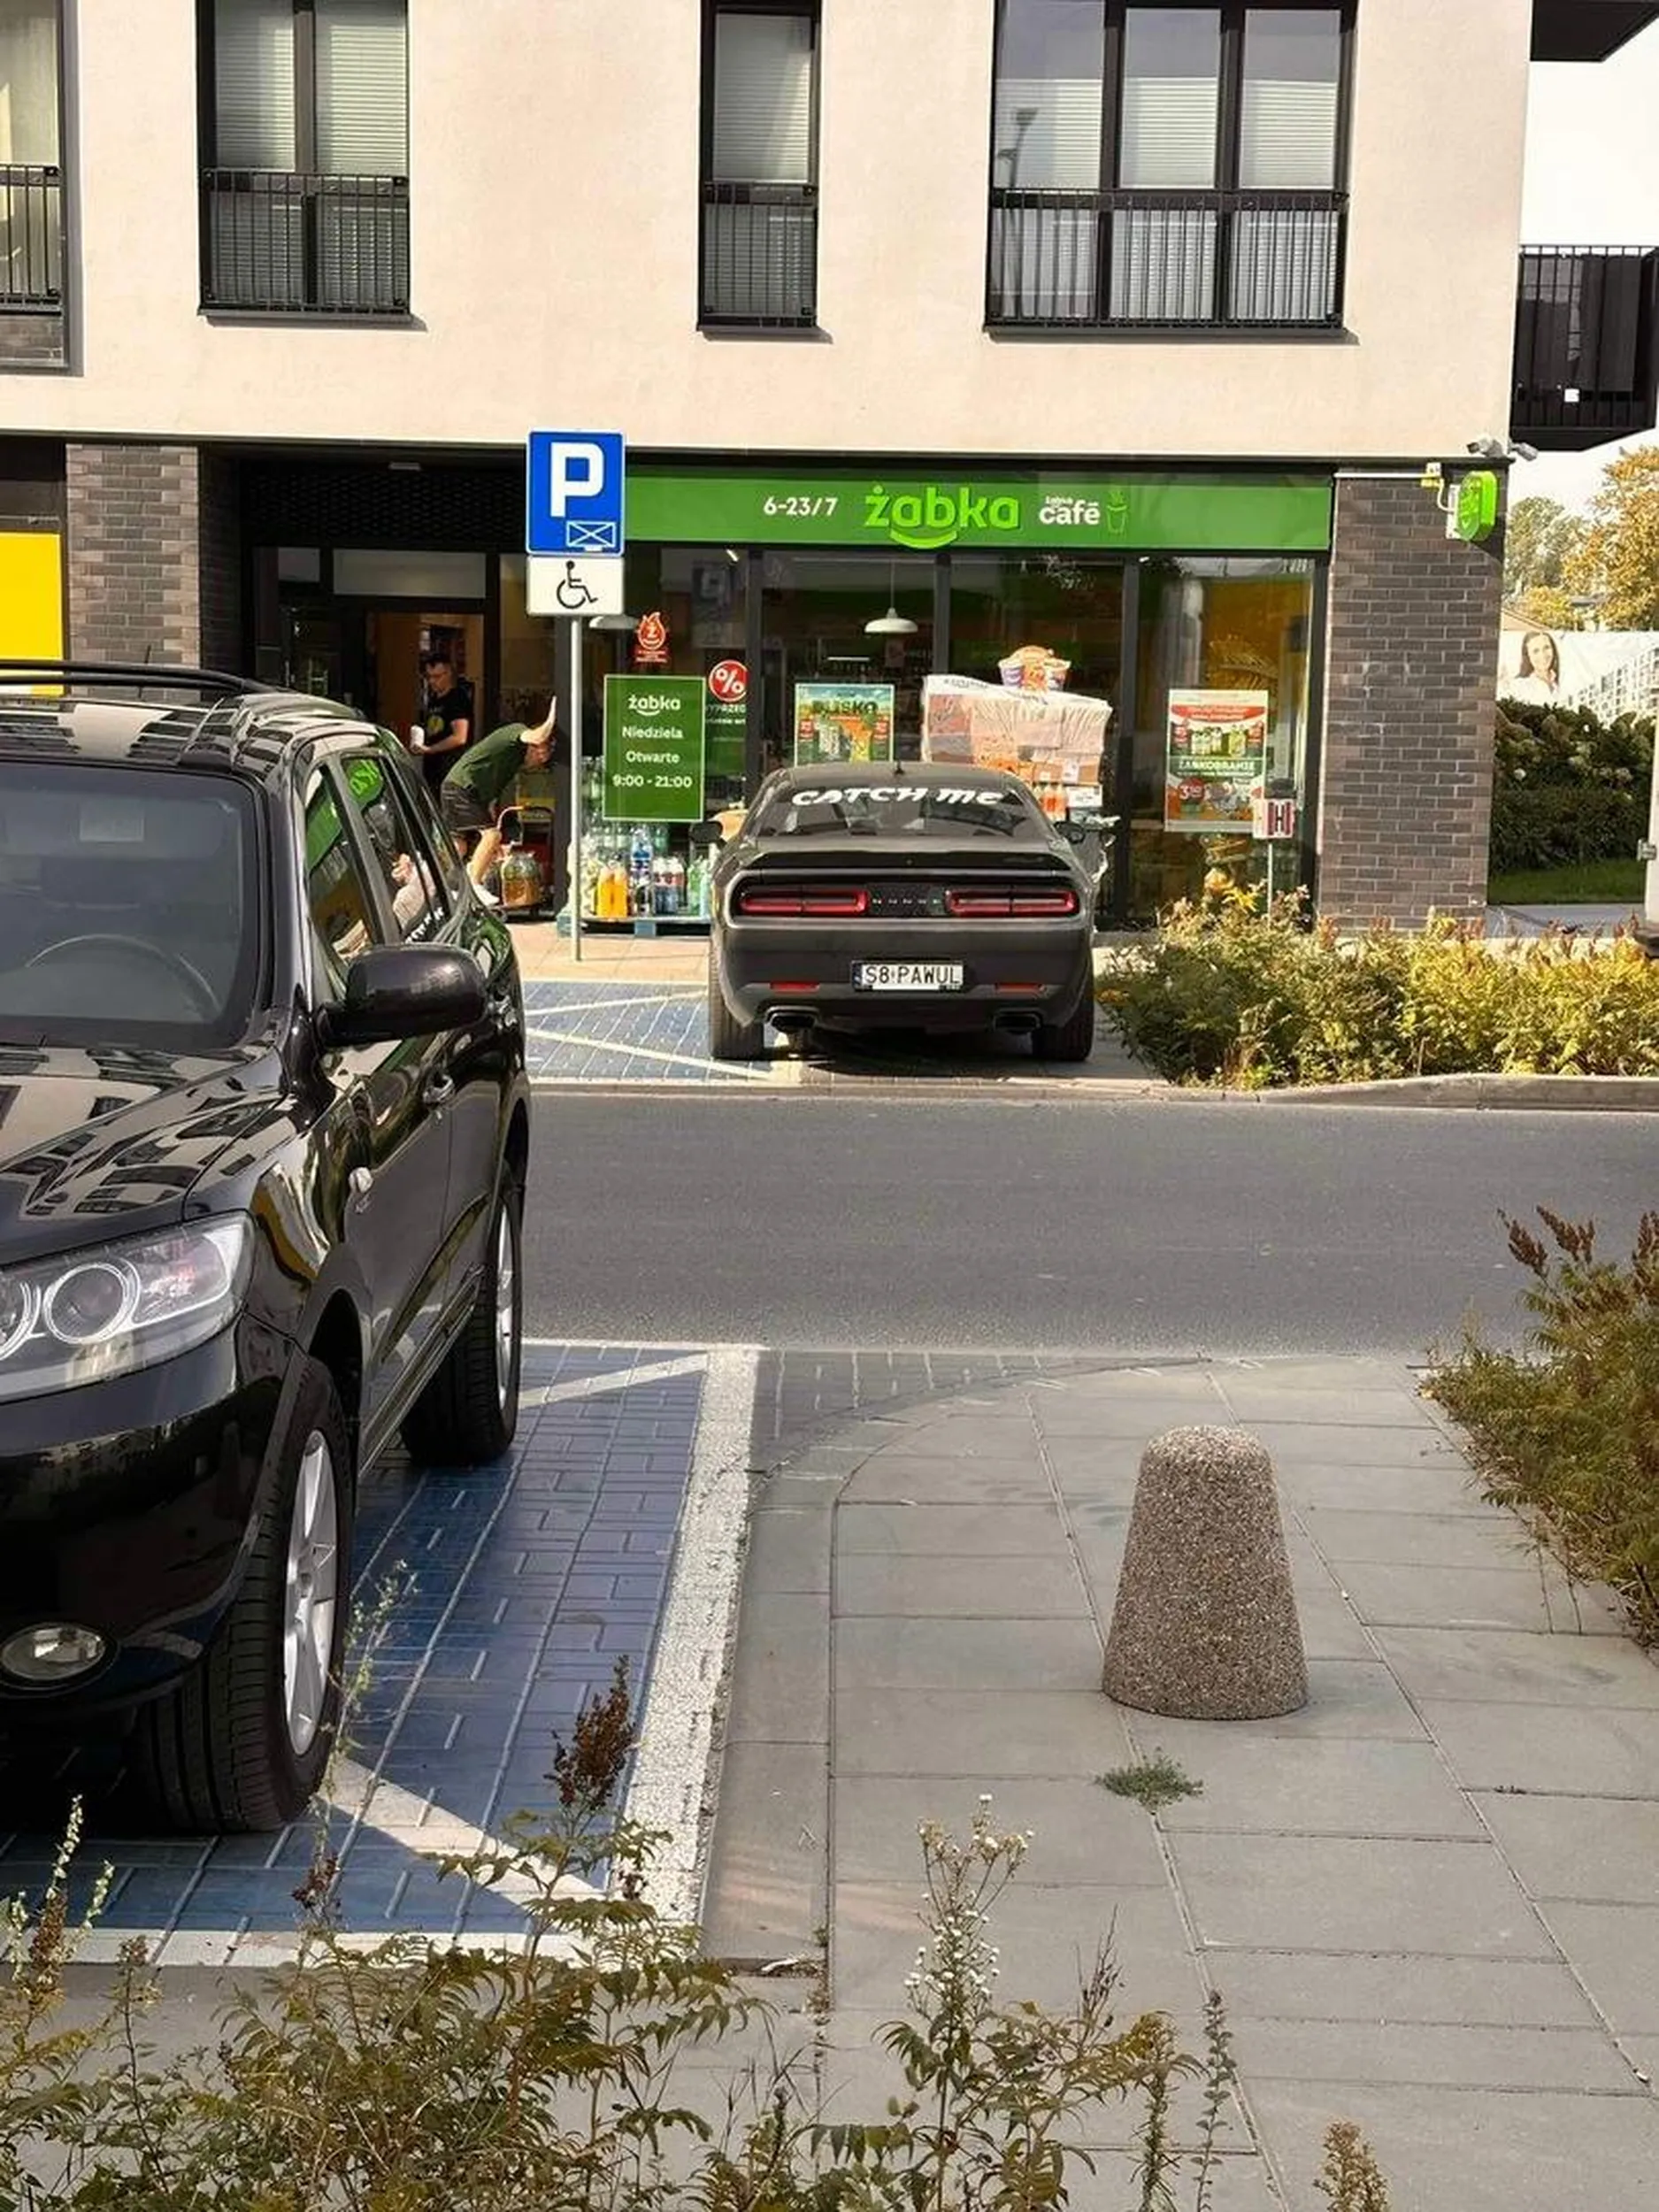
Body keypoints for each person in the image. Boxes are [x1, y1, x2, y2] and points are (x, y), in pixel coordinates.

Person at [436, 699, 557, 890]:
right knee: (492, 835)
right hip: (463, 785)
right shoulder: (516, 732)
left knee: (458, 845)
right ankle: (474, 886)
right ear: (536, 746)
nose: (540, 761)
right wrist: (553, 715)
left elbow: (492, 799)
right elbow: (537, 734)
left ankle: (440, 886)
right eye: (541, 755)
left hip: (458, 787)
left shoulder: (513, 761)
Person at [413, 655, 473, 795]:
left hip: (450, 768)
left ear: (448, 674)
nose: (432, 681)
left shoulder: (457, 698)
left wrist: (430, 749)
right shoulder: (434, 699)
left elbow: (460, 737)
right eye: (429, 677)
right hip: (432, 769)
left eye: (437, 676)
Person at [1505, 628, 1563, 704]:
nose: (1543, 655)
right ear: (1528, 656)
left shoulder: (1563, 681)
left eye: (1546, 648)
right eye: (1536, 651)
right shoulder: (1519, 687)